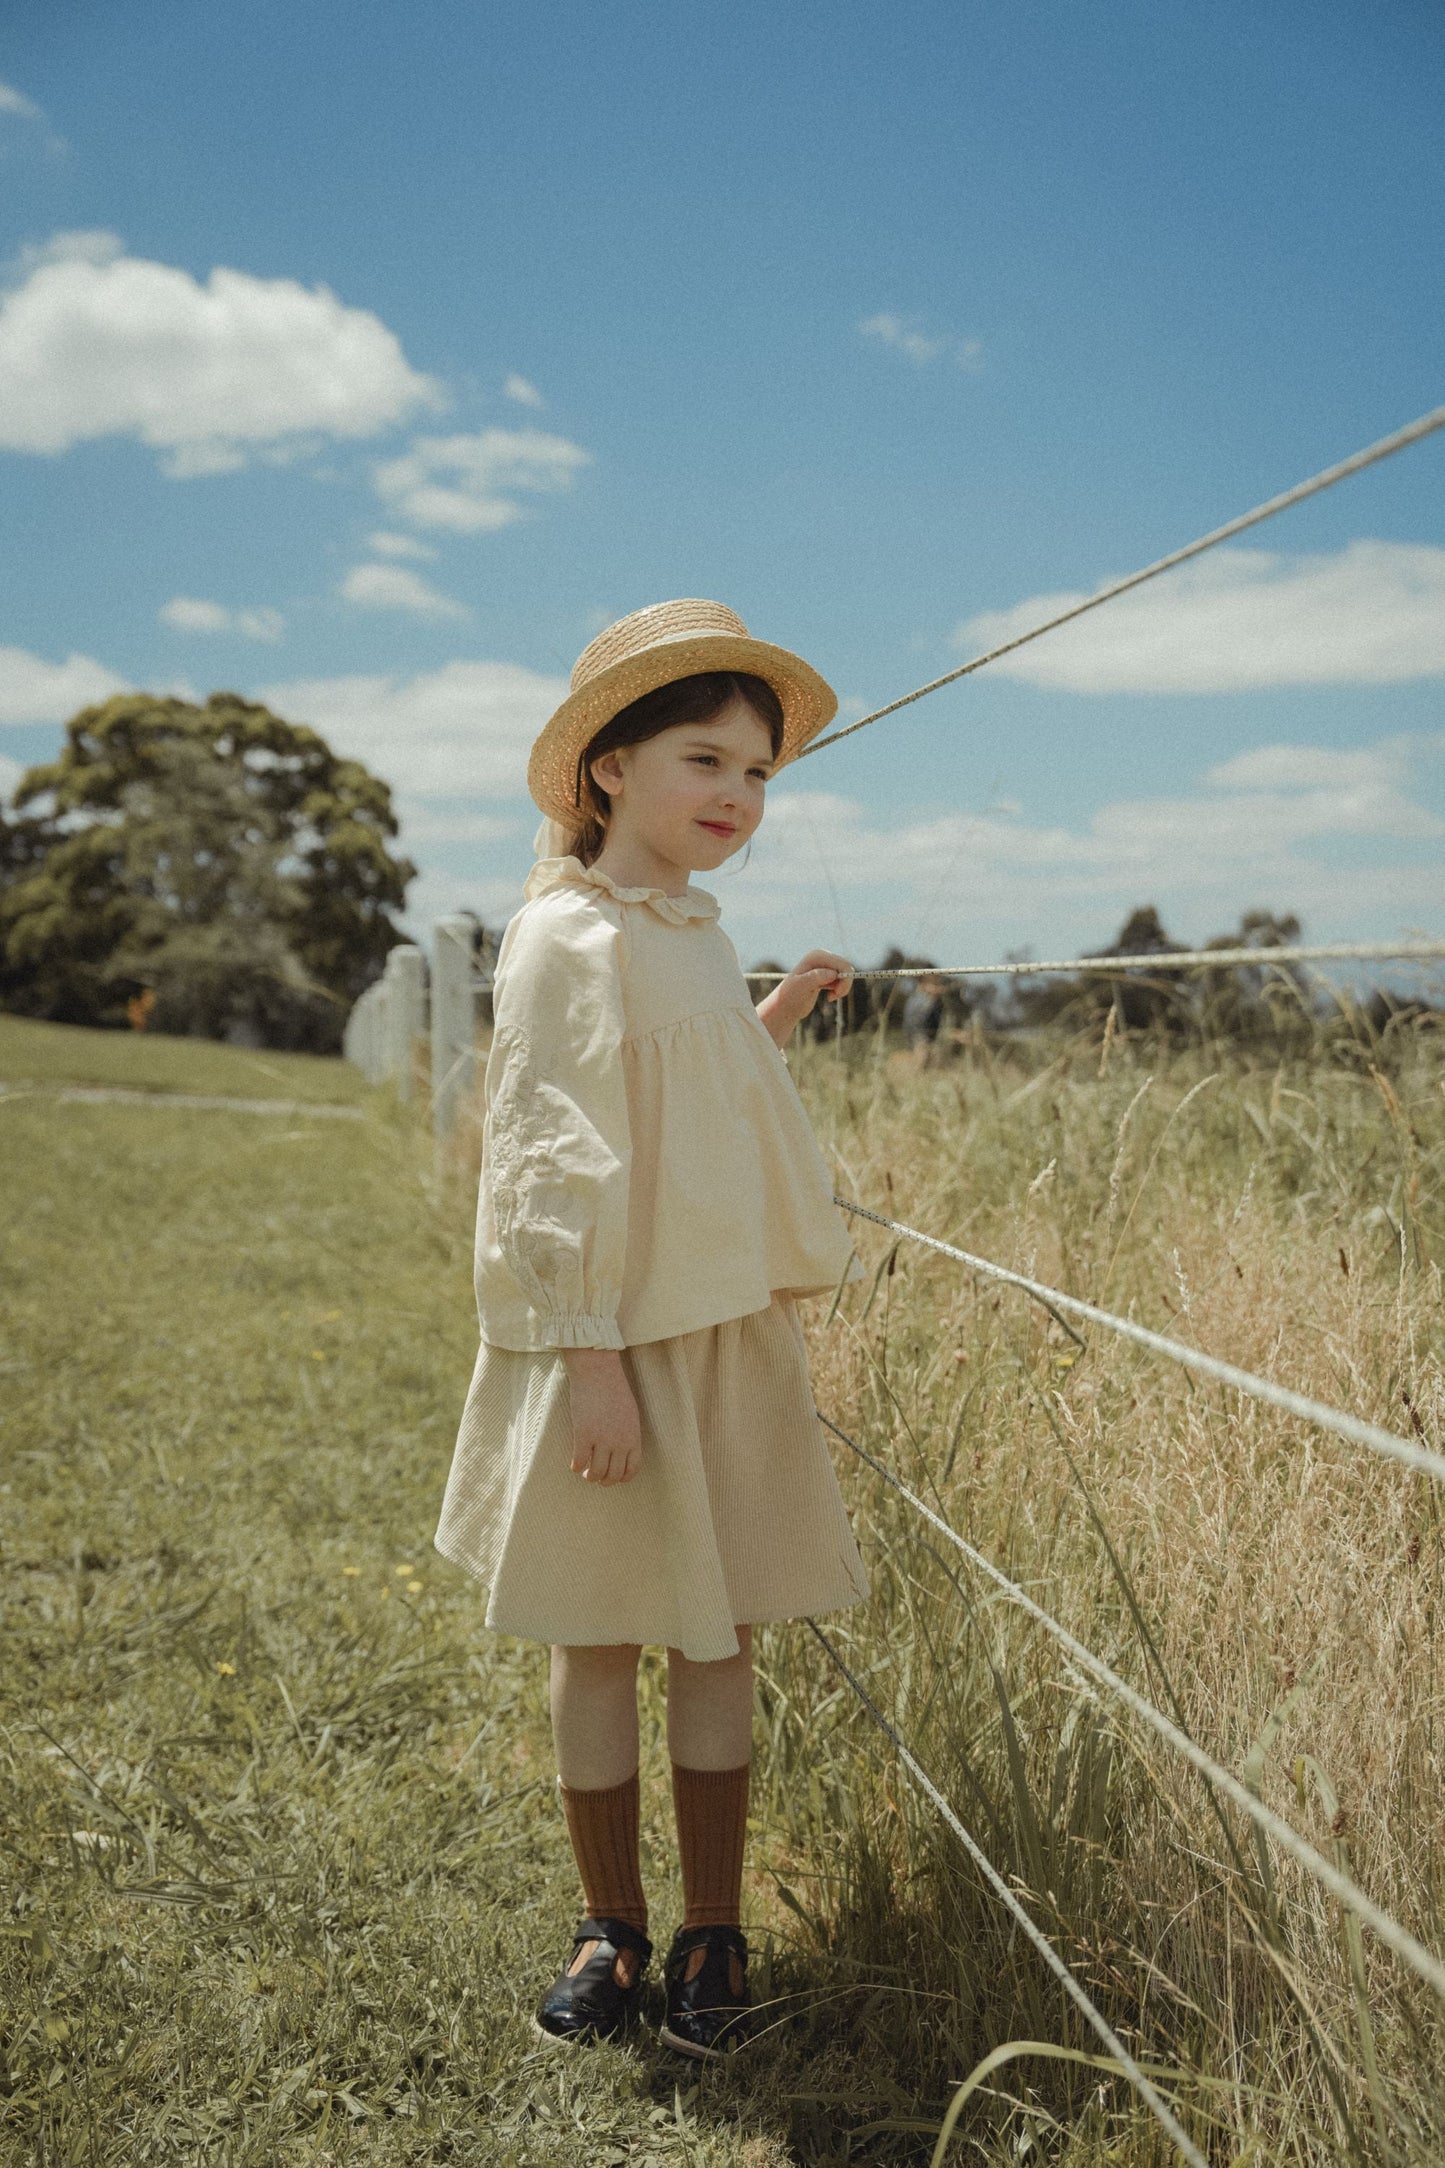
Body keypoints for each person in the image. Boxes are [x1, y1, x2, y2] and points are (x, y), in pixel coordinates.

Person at [434, 598, 871, 2061]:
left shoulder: (689, 928)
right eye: (704, 762)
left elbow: (681, 1100)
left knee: (720, 1630)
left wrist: (779, 1010)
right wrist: (589, 1363)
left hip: (716, 1327)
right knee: (599, 1631)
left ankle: (713, 1932)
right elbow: (554, 1152)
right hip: (609, 1344)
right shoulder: (568, 933)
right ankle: (610, 1923)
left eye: (756, 774)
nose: (736, 799)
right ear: (608, 768)